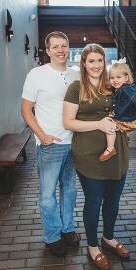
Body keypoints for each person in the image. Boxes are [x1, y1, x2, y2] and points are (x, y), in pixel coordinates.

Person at [63, 44, 130, 270]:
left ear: (104, 62)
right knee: (94, 201)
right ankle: (93, 246)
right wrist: (98, 124)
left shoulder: (113, 85)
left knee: (113, 200)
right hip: (89, 154)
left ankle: (108, 238)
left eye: (99, 60)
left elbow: (129, 108)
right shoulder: (76, 88)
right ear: (83, 63)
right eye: (91, 61)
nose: (96, 65)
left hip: (117, 152)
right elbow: (68, 122)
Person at [21, 31, 81, 257]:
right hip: (50, 144)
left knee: (70, 190)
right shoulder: (36, 74)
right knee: (47, 195)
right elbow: (25, 110)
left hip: (74, 143)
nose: (60, 50)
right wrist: (42, 135)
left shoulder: (76, 75)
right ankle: (53, 236)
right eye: (55, 46)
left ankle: (68, 229)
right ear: (47, 51)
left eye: (63, 45)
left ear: (68, 47)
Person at [99, 59, 136, 161]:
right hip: (132, 117)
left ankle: (110, 148)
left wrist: (113, 114)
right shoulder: (127, 88)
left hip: (128, 119)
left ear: (126, 77)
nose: (115, 80)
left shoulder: (125, 90)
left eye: (118, 77)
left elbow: (124, 105)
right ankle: (125, 138)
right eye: (112, 78)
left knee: (110, 125)